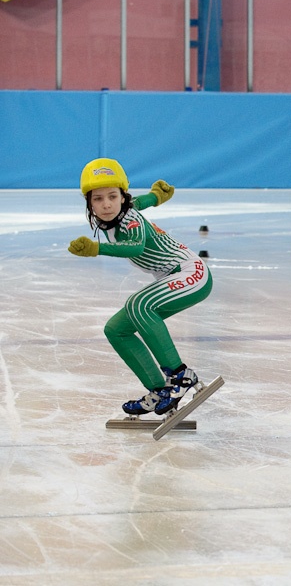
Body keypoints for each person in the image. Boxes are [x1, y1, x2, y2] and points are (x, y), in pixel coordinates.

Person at [68, 158, 212, 416]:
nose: (107, 204)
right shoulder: (123, 207)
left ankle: (180, 376)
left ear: (122, 197)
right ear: (89, 202)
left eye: (112, 196)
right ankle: (159, 391)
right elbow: (140, 201)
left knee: (139, 304)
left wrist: (97, 248)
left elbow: (135, 247)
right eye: (98, 199)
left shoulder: (129, 220)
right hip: (172, 277)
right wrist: (156, 196)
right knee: (116, 329)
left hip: (191, 273)